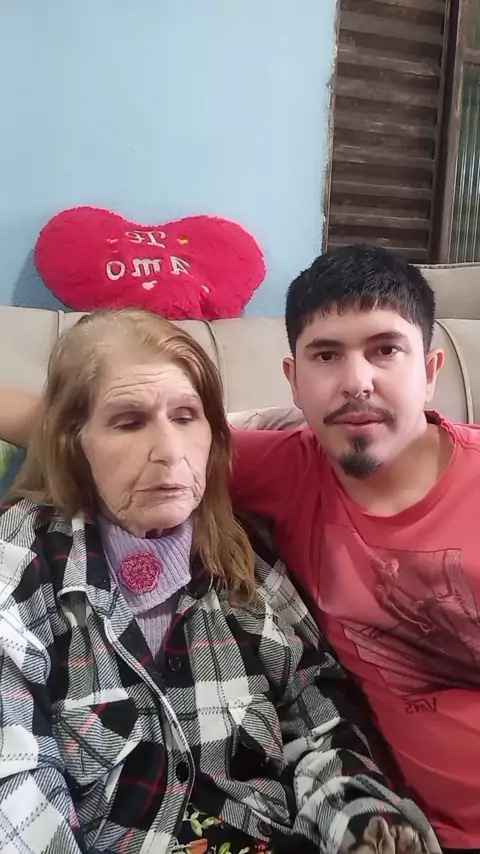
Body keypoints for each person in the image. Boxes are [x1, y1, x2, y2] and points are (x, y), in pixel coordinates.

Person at [0, 308, 436, 854]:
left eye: (186, 417)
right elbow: (17, 791)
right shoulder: (21, 568)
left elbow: (316, 715)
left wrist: (361, 823)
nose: (170, 452)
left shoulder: (244, 557)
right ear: (74, 441)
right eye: (128, 423)